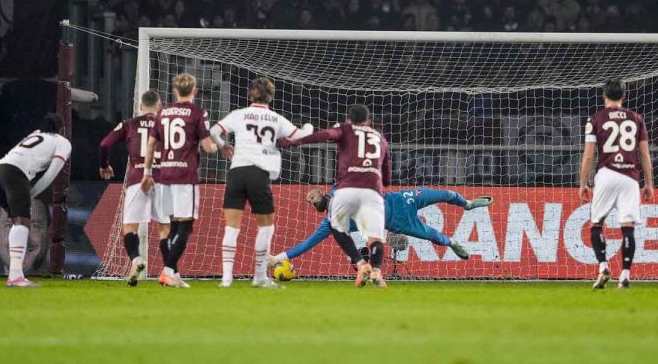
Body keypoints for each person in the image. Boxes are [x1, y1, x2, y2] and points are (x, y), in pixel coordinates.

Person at [209, 77, 313, 288]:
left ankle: (226, 279)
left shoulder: (239, 115)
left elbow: (213, 131)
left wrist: (223, 146)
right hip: (259, 173)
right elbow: (299, 136)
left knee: (232, 227)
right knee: (266, 226)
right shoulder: (275, 118)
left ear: (250, 95)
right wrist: (309, 127)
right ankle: (259, 278)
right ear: (271, 97)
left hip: (237, 171)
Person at [280, 104, 390, 288]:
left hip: (347, 188)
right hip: (373, 190)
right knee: (375, 239)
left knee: (335, 225)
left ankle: (361, 264)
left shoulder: (345, 130)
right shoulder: (381, 139)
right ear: (369, 122)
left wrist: (289, 142)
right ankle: (377, 271)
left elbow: (322, 136)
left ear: (348, 120)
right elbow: (386, 178)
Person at [270, 187, 493, 265]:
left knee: (446, 194)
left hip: (402, 198)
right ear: (316, 207)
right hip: (398, 221)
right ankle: (453, 242)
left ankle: (468, 204)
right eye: (310, 201)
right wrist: (278, 259)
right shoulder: (330, 223)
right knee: (433, 236)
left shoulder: (339, 189)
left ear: (321, 191)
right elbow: (307, 244)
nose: (310, 198)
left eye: (312, 195)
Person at [141, 73, 218, 288]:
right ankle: (167, 271)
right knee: (186, 226)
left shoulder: (163, 112)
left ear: (174, 91)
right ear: (194, 91)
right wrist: (218, 145)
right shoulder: (197, 112)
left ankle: (173, 272)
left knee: (172, 226)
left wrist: (147, 173)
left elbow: (151, 145)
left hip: (163, 175)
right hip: (185, 177)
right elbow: (207, 146)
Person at [579, 79, 653, 289]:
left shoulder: (595, 119)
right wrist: (648, 183)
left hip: (606, 174)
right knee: (627, 228)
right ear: (623, 96)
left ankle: (603, 267)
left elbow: (588, 155)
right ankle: (625, 274)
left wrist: (583, 183)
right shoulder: (636, 119)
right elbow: (645, 154)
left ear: (604, 95)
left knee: (596, 224)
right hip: (630, 177)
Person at [0, 113, 71, 287]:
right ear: (62, 129)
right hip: (13, 173)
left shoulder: (34, 134)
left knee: (13, 220)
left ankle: (14, 274)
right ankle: (16, 277)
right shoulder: (62, 142)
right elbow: (51, 173)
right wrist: (33, 193)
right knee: (22, 222)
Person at [99, 90, 168, 287]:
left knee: (130, 226)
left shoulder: (130, 124)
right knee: (164, 227)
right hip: (161, 179)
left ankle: (136, 260)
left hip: (137, 179)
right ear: (159, 106)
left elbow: (104, 144)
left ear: (140, 106)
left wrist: (104, 165)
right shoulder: (165, 125)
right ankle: (167, 271)